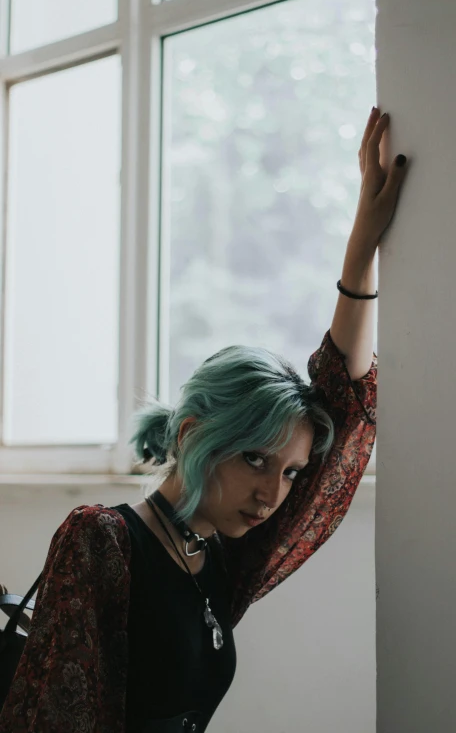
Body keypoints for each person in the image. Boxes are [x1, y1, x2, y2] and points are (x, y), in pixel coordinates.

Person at [0, 107, 408, 733]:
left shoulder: (222, 555)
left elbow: (345, 410)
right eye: (255, 459)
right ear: (194, 433)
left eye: (292, 473)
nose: (273, 494)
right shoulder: (102, 540)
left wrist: (363, 247)